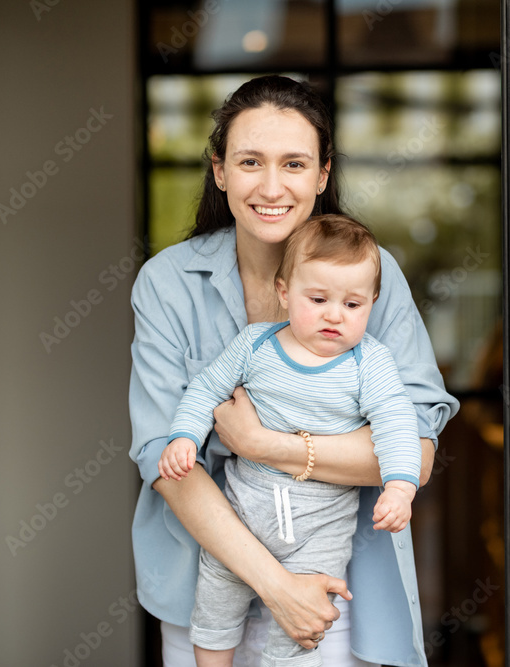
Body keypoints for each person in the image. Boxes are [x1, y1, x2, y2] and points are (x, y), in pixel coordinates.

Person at [129, 74, 457, 667]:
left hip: (336, 582)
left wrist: (260, 442)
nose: (272, 186)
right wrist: (277, 587)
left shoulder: (371, 278)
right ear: (220, 170)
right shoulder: (166, 283)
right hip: (201, 578)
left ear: (323, 174)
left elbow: (413, 451)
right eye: (250, 161)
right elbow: (164, 459)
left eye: (295, 163)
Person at [159, 215, 422, 666]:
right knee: (215, 606)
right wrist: (185, 435)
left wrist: (401, 486)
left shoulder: (370, 363)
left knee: (301, 630)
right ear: (285, 293)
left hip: (319, 532)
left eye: (354, 305)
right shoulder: (255, 344)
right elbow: (205, 388)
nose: (334, 314)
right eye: (317, 299)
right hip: (242, 515)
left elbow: (397, 426)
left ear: (373, 303)